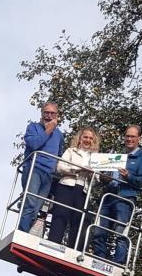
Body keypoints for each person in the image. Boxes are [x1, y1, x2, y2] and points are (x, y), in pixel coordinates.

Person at [92, 125, 142, 264]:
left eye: (132, 136)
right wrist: (104, 178)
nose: (129, 139)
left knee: (120, 233)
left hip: (125, 198)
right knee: (99, 231)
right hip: (109, 196)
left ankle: (117, 263)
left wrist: (128, 176)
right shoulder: (118, 154)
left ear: (139, 139)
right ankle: (99, 258)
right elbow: (106, 175)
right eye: (127, 136)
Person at [47, 127, 100, 250]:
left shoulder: (96, 157)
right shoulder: (71, 151)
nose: (87, 140)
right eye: (85, 137)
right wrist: (77, 169)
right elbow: (60, 167)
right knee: (60, 216)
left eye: (90, 138)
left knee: (79, 221)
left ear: (94, 140)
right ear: (80, 138)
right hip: (66, 186)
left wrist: (92, 174)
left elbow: (96, 180)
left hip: (83, 191)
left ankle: (73, 250)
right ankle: (52, 246)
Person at [18, 102, 64, 232]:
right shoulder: (33, 127)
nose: (49, 116)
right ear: (42, 114)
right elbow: (34, 144)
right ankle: (22, 232)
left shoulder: (60, 135)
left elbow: (59, 153)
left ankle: (27, 233)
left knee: (37, 207)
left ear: (57, 115)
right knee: (29, 203)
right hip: (34, 169)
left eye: (52, 113)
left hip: (48, 174)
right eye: (46, 113)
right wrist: (48, 130)